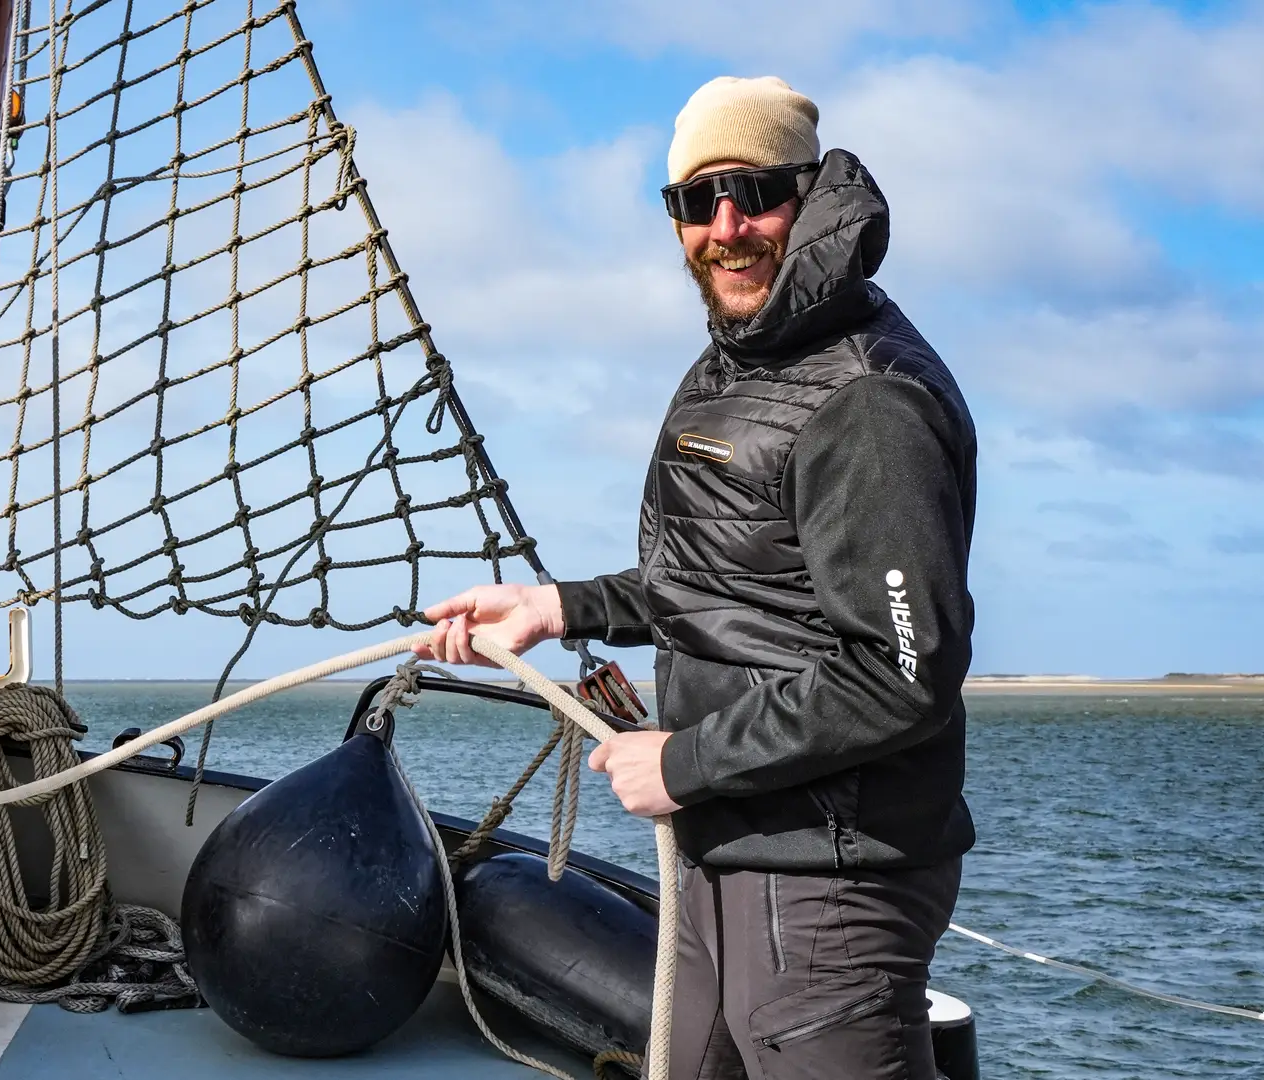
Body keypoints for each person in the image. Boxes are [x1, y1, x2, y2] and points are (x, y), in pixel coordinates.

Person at [414, 75, 977, 1080]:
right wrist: (558, 607)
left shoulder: (868, 399)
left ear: (809, 192)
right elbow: (728, 575)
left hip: (824, 882)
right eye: (695, 202)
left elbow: (900, 675)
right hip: (720, 853)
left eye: (755, 191)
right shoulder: (746, 360)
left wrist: (678, 765)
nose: (727, 227)